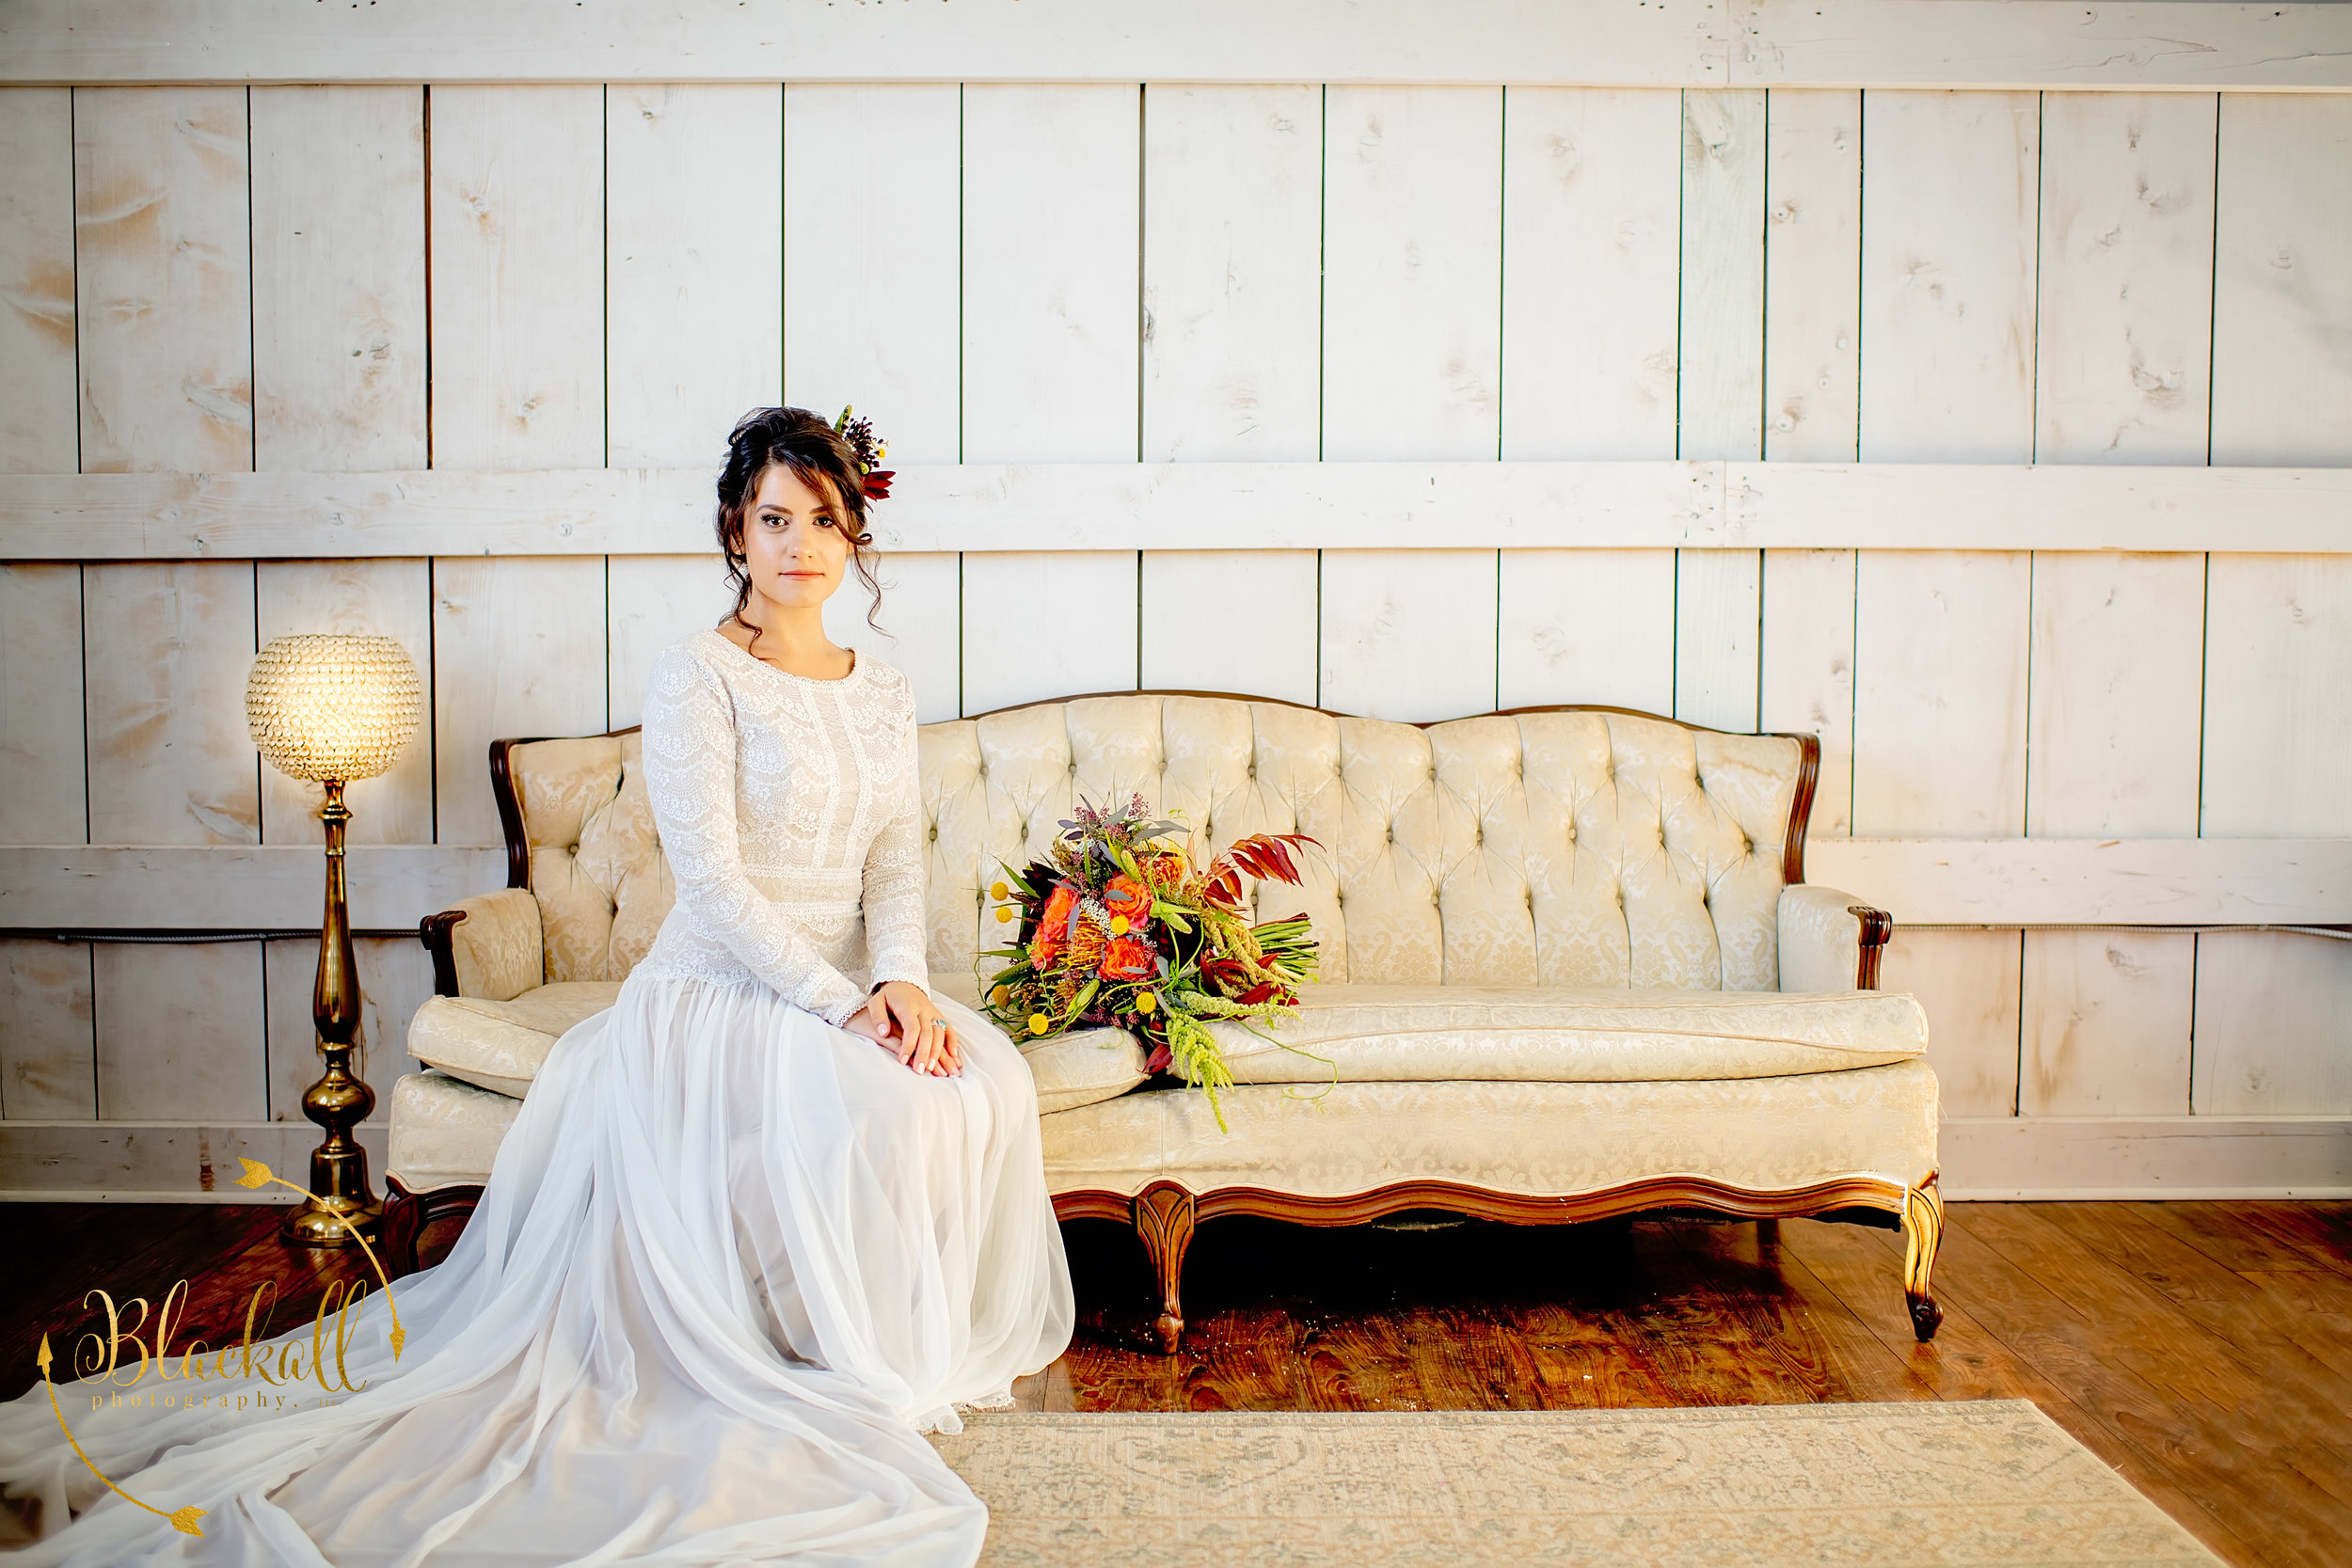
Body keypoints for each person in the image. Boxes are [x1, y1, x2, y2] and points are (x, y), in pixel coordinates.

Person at [0, 406, 1076, 1565]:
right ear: (736, 527)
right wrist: (841, 1005)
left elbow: (891, 865)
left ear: (854, 530)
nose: (800, 544)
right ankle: (802, 1352)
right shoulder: (700, 673)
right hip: (723, 992)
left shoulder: (880, 684)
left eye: (823, 519)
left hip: (846, 983)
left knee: (973, 1083)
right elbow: (711, 885)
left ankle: (871, 1339)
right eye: (775, 518)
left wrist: (904, 984)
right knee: (877, 1101)